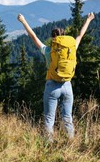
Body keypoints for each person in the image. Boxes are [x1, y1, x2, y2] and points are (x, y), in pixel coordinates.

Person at [17, 12, 95, 141]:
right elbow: (81, 35)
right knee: (67, 117)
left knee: (49, 118)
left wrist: (23, 21)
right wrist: (88, 19)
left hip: (52, 86)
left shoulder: (48, 51)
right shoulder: (72, 47)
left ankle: (49, 144)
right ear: (63, 36)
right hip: (67, 85)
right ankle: (71, 143)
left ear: (52, 38)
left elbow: (34, 37)